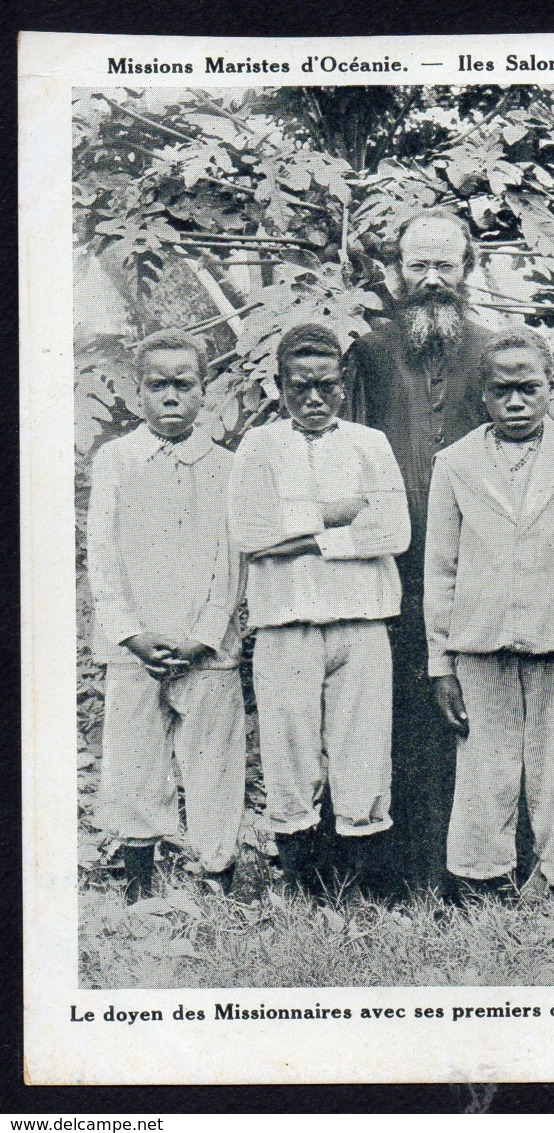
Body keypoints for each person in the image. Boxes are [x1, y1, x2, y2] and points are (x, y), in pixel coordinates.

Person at [424, 329, 554, 901]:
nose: (515, 402)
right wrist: (441, 663)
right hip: (479, 647)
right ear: (483, 395)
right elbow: (440, 570)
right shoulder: (455, 464)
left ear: (551, 388)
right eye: (501, 390)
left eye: (528, 388)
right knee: (484, 766)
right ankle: (481, 883)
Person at [228, 325, 410, 897]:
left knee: (363, 755)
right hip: (286, 624)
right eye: (299, 386)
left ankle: (360, 886)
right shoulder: (258, 446)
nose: (313, 399)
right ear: (279, 385)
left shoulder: (369, 443)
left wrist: (302, 534)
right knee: (288, 754)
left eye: (325, 386)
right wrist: (335, 515)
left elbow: (393, 531)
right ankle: (304, 887)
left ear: (343, 383)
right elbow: (249, 533)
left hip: (361, 620)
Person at [344, 208, 496, 890]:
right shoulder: (369, 352)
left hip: (474, 569)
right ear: (394, 271)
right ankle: (393, 872)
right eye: (418, 265)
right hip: (389, 568)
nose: (432, 279)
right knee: (393, 710)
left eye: (446, 265)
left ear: (468, 270)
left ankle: (467, 866)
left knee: (465, 710)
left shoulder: (496, 352)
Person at [87, 329, 246, 902]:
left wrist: (204, 637)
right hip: (136, 650)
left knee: (213, 765)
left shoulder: (226, 466)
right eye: (159, 385)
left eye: (184, 384)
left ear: (205, 391)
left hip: (206, 649)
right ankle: (139, 889)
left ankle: (216, 881)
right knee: (134, 763)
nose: (172, 396)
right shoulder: (116, 460)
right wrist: (132, 635)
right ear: (139, 391)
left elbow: (232, 563)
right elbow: (101, 555)